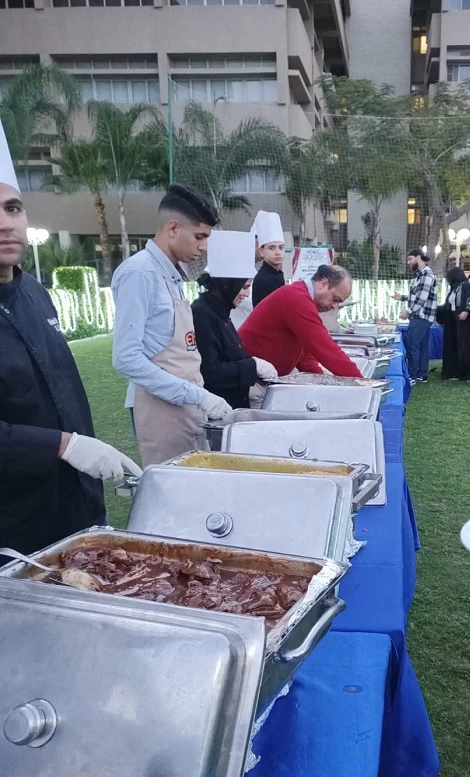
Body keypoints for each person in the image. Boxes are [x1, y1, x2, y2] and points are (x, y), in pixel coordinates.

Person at [0, 120, 140, 558]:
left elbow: (62, 390)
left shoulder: (33, 292)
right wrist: (64, 444)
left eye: (12, 208)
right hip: (13, 522)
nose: (6, 224)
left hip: (74, 501)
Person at [112, 185, 233, 468]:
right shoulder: (139, 273)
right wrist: (196, 395)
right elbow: (126, 359)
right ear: (173, 228)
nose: (203, 247)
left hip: (187, 405)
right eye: (200, 236)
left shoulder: (173, 276)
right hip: (160, 409)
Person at [239, 265, 363, 405]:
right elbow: (325, 349)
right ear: (323, 283)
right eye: (335, 299)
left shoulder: (300, 296)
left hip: (263, 379)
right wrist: (362, 385)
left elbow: (305, 355)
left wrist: (321, 382)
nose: (335, 306)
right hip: (252, 381)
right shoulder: (297, 299)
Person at [192, 230, 278, 412]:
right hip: (217, 408)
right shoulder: (202, 314)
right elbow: (211, 371)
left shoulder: (221, 311)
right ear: (227, 284)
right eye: (244, 287)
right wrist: (252, 365)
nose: (247, 293)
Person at [393, 250, 438, 386]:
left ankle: (412, 375)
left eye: (410, 259)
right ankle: (421, 375)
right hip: (422, 316)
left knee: (412, 344)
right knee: (422, 346)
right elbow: (419, 296)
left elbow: (422, 299)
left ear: (419, 257)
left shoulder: (426, 274)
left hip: (421, 316)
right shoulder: (420, 275)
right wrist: (403, 298)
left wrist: (409, 311)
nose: (408, 263)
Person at [441, 267, 470, 382]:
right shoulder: (454, 289)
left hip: (469, 324)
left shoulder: (467, 286)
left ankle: (469, 373)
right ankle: (457, 372)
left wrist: (466, 310)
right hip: (456, 323)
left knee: (467, 347)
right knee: (457, 346)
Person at [251, 210, 285, 308]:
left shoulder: (276, 274)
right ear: (262, 251)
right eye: (271, 248)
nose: (278, 252)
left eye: (281, 247)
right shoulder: (263, 280)